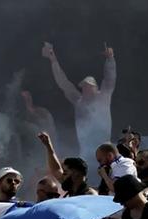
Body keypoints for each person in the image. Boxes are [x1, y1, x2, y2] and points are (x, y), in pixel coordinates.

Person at [42, 42, 116, 172]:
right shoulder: (79, 101)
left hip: (105, 151)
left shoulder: (103, 97)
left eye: (88, 86)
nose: (85, 89)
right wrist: (53, 60)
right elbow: (63, 83)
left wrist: (110, 59)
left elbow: (109, 79)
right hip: (86, 154)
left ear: (96, 88)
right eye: (83, 87)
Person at [38, 132, 97, 197]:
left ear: (76, 173)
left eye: (65, 172)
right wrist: (48, 146)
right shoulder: (72, 188)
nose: (63, 175)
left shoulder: (90, 195)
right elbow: (56, 169)